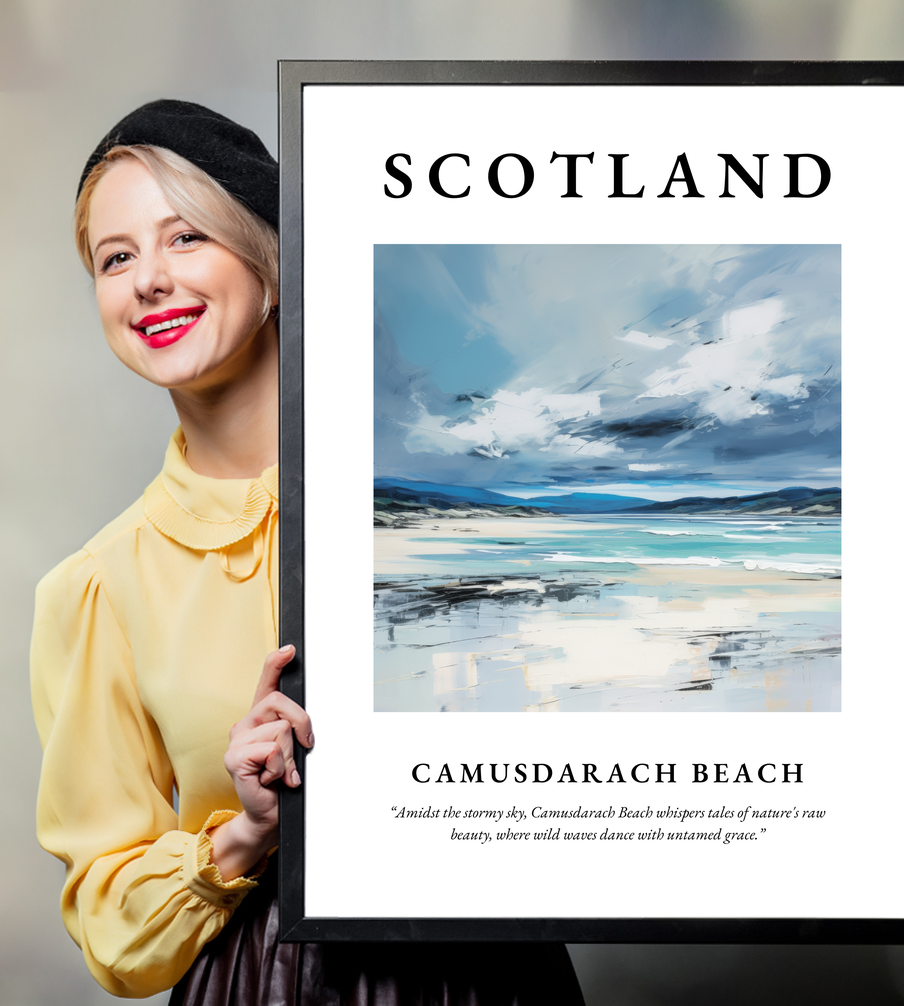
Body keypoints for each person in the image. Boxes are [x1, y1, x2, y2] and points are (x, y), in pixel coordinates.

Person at [30, 100, 585, 1004]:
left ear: (274, 264)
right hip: (263, 982)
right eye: (116, 257)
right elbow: (110, 924)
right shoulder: (97, 587)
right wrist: (245, 832)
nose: (148, 281)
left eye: (186, 239)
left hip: (492, 973)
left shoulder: (463, 503)